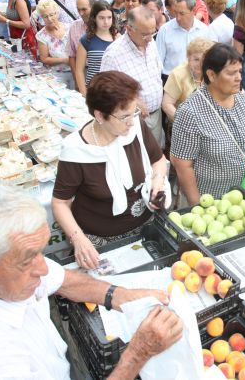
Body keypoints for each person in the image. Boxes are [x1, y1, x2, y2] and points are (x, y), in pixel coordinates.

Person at [0, 178, 181, 379]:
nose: (43, 268)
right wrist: (137, 354)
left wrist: (123, 296)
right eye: (26, 259)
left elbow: (61, 279)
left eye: (40, 252)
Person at [53, 72, 167, 267]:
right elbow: (60, 203)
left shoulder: (135, 128)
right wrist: (78, 239)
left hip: (146, 227)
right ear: (99, 115)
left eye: (134, 112)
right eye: (124, 117)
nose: (131, 121)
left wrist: (157, 181)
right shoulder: (76, 150)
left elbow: (158, 160)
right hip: (99, 241)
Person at [171, 44, 245, 204]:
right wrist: (198, 206)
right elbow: (182, 165)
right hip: (210, 201)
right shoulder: (190, 112)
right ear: (211, 75)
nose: (239, 78)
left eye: (239, 71)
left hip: (244, 196)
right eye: (231, 73)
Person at [101, 6, 164, 145]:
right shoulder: (113, 55)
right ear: (129, 29)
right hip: (132, 121)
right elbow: (105, 93)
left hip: (156, 115)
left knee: (156, 155)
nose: (149, 39)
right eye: (145, 34)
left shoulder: (150, 42)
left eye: (152, 33)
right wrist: (134, 102)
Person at [156, 0, 208, 82]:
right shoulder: (165, 30)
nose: (178, 18)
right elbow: (157, 62)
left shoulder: (204, 30)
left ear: (193, 11)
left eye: (182, 13)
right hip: (170, 80)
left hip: (196, 80)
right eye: (176, 13)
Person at [162, 37, 216, 120]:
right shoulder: (178, 74)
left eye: (204, 60)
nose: (200, 64)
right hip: (184, 121)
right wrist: (184, 121)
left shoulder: (213, 71)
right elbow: (167, 104)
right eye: (196, 59)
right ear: (188, 57)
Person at [75, 0, 117, 93]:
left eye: (109, 17)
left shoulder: (118, 39)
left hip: (114, 90)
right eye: (101, 18)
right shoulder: (86, 40)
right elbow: (79, 70)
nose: (106, 22)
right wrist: (84, 93)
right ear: (94, 18)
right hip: (93, 89)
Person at [36, 0, 74, 89]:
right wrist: (65, 60)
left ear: (57, 13)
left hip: (75, 71)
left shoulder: (70, 27)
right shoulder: (41, 35)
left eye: (51, 15)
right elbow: (44, 59)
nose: (49, 19)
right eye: (45, 16)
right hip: (57, 74)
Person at [66, 0, 95, 90]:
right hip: (82, 72)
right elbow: (72, 56)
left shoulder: (104, 26)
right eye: (78, 10)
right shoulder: (74, 26)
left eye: (84, 9)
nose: (81, 13)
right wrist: (77, 81)